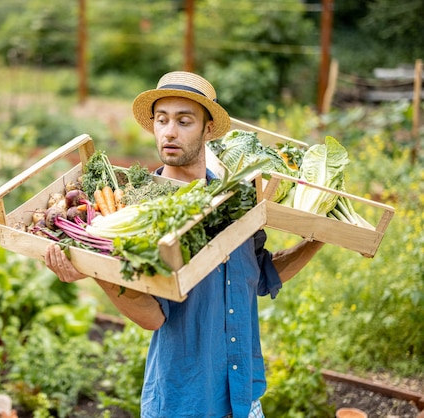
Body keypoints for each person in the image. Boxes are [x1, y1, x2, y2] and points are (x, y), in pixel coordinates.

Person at [44, 71, 324, 418]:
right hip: (183, 403)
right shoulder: (136, 209)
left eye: (184, 120)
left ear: (208, 129)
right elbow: (152, 317)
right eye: (161, 120)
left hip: (245, 399)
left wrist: (320, 235)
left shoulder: (237, 200)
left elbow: (261, 275)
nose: (169, 131)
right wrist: (96, 269)